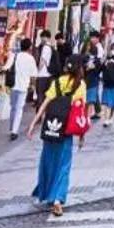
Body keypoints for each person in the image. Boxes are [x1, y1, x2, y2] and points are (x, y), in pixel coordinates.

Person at [31, 52, 86, 218]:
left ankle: (45, 193)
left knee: (48, 162)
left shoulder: (57, 82)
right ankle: (57, 199)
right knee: (64, 165)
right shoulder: (80, 85)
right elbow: (80, 111)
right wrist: (82, 135)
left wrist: (33, 123)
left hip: (50, 128)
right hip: (66, 130)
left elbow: (45, 104)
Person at [7, 35, 37, 140]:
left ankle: (11, 128)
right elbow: (34, 75)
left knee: (13, 107)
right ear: (29, 48)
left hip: (13, 85)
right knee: (19, 108)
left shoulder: (15, 56)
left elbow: (6, 67)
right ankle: (14, 131)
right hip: (24, 86)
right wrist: (33, 86)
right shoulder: (31, 59)